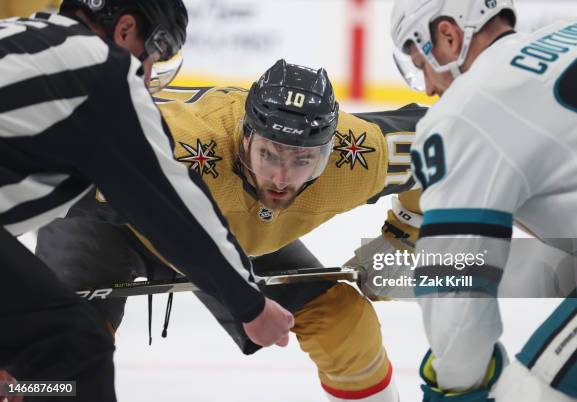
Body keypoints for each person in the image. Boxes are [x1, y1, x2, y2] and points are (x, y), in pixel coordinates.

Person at [35, 59, 430, 402]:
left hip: (230, 235)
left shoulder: (357, 156)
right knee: (55, 353)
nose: (280, 178)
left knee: (345, 322)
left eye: (303, 160)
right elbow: (28, 167)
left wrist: (401, 239)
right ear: (244, 138)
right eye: (268, 153)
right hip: (116, 220)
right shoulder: (179, 146)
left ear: (331, 153)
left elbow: (447, 143)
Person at [0, 1, 293, 401]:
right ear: (124, 30)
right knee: (74, 349)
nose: (149, 74)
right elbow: (170, 203)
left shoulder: (19, 38)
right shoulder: (98, 67)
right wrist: (249, 303)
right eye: (153, 57)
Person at [390, 0, 577, 401]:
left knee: (525, 394)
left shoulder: (463, 113)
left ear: (448, 35)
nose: (427, 87)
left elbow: (454, 293)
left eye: (421, 64)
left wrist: (456, 382)